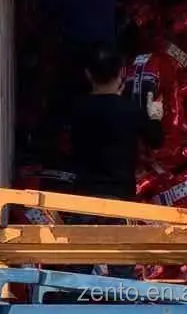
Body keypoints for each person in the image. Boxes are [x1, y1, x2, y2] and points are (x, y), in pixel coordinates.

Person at [68, 45, 164, 203]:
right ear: (120, 73)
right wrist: (155, 117)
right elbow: (156, 140)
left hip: (85, 193)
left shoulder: (77, 108)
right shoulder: (131, 110)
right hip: (121, 195)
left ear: (88, 74)